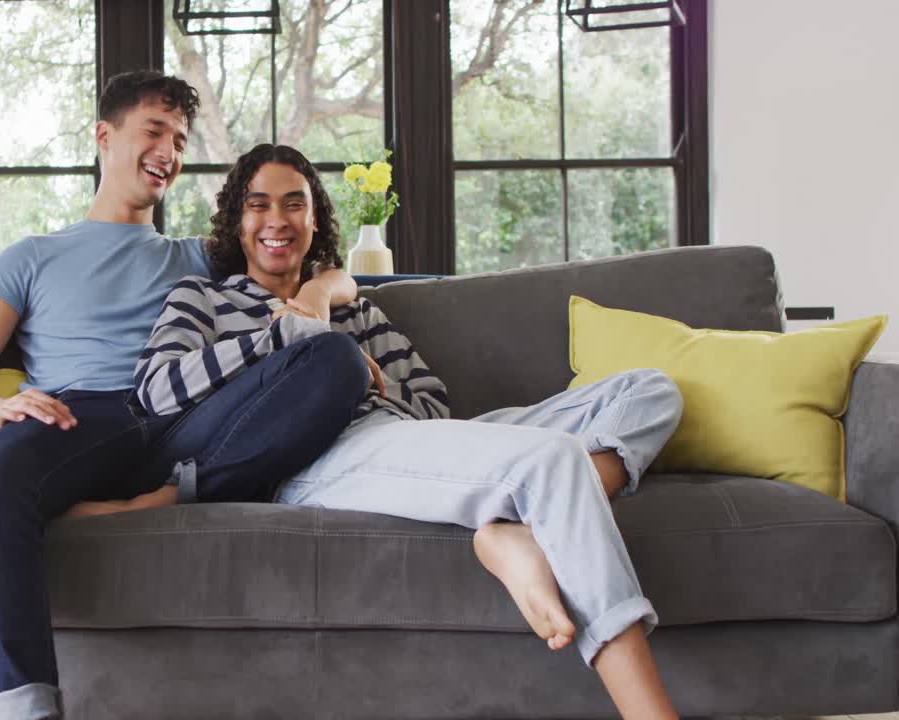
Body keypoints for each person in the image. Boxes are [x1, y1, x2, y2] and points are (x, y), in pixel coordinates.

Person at [124, 143, 686, 718]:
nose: (277, 220)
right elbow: (156, 390)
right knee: (554, 460)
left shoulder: (357, 310)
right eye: (258, 204)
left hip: (397, 434)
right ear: (236, 221)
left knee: (649, 392)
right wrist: (288, 339)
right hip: (323, 452)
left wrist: (353, 356)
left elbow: (434, 406)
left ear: (314, 219)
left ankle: (524, 527)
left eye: (294, 204)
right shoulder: (205, 298)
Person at [0, 76, 370, 720]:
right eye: (155, 131)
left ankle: (166, 496)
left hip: (188, 421)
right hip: (79, 416)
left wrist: (320, 294)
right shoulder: (30, 257)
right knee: (0, 474)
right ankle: (23, 708)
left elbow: (311, 258)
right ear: (105, 137)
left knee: (336, 359)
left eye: (181, 140)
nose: (169, 151)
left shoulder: (200, 256)